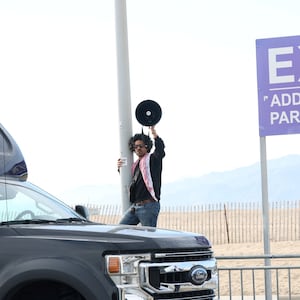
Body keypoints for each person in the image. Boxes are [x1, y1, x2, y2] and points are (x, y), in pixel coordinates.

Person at [117, 126, 165, 227]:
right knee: (121, 229)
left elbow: (160, 150)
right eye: (136, 146)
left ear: (147, 146)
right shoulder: (135, 165)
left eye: (141, 146)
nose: (138, 148)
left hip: (148, 205)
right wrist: (120, 169)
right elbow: (133, 182)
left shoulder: (153, 159)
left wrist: (153, 132)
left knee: (148, 237)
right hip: (135, 207)